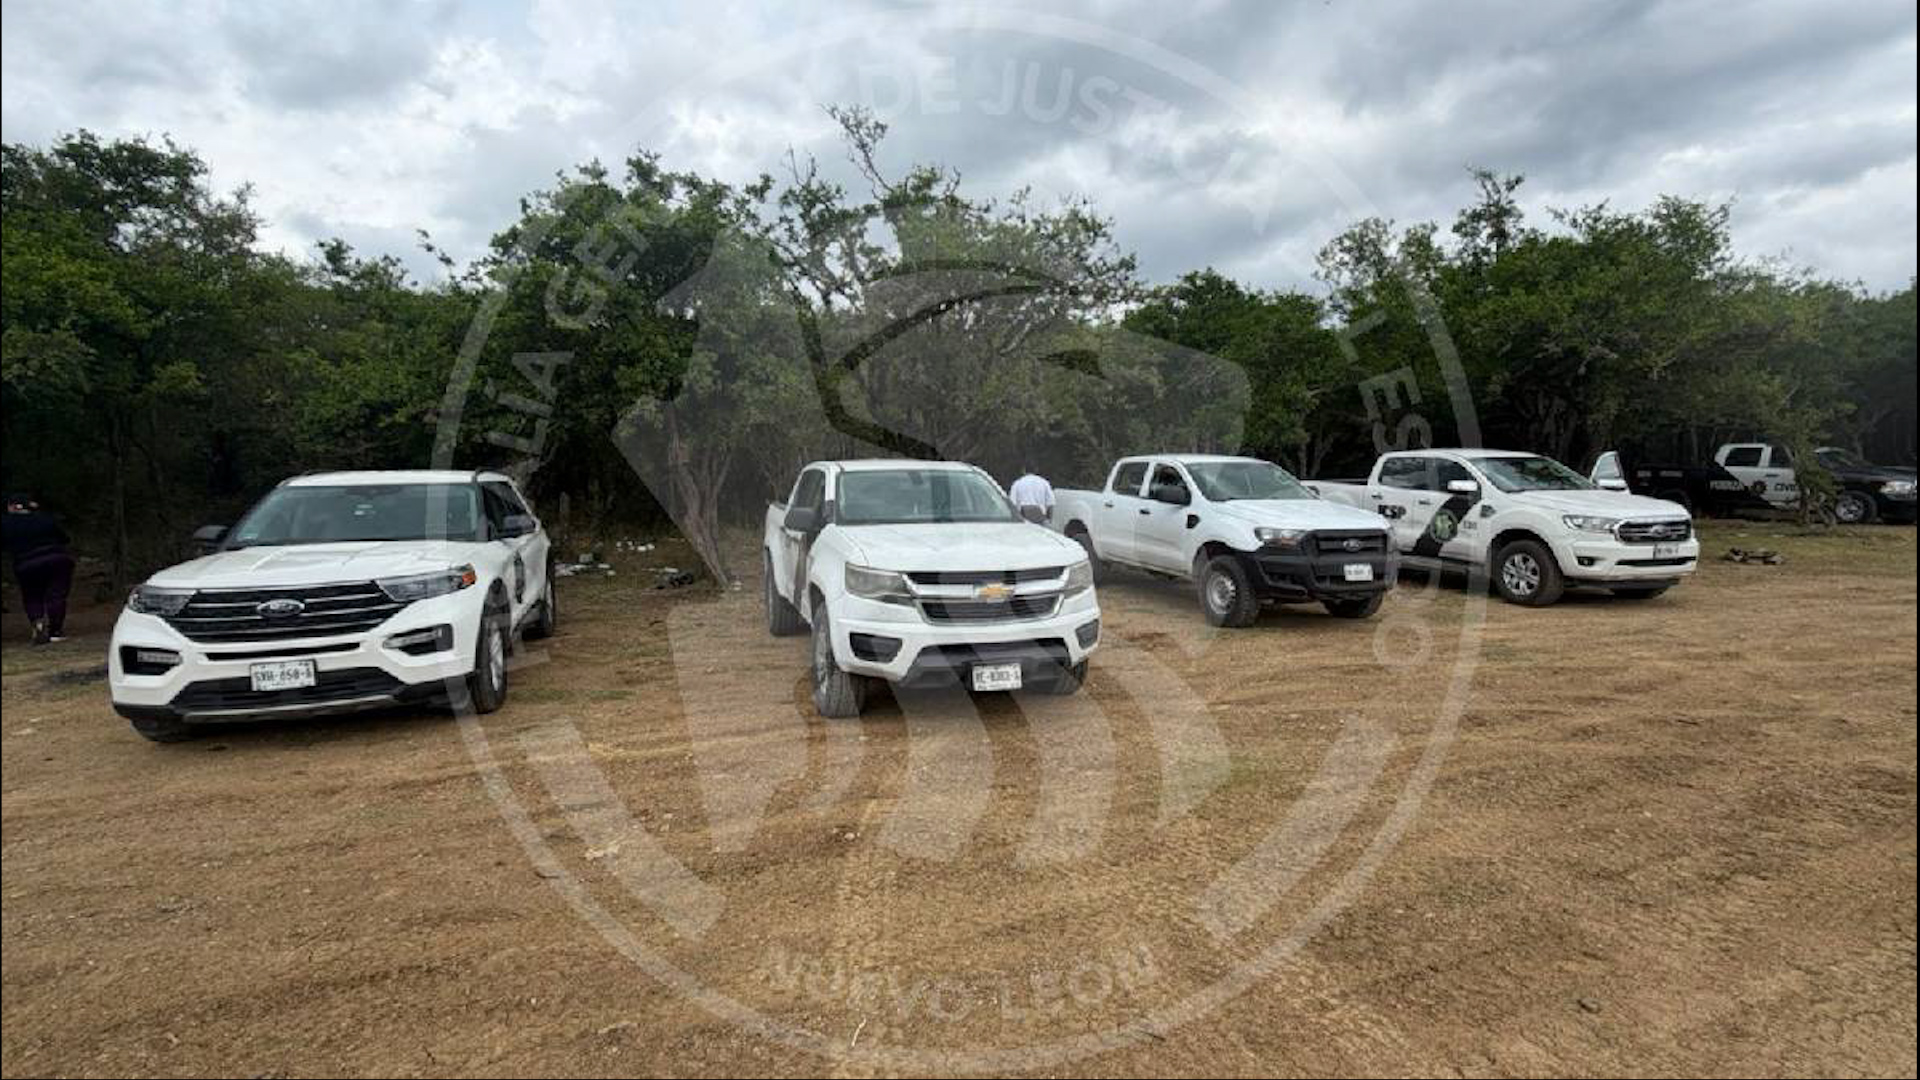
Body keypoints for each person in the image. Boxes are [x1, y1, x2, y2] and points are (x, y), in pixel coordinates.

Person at [3, 493, 75, 645]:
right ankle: (56, 630)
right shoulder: (45, 519)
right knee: (56, 595)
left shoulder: (6, 523)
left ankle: (38, 623)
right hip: (57, 559)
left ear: (13, 506)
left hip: (26, 563)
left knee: (32, 595)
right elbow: (64, 538)